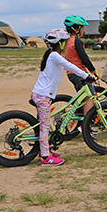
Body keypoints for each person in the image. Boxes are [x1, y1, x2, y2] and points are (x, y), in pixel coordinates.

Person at [31, 28, 94, 166]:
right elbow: (69, 65)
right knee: (45, 126)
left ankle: (44, 150)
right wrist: (86, 75)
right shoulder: (54, 55)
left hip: (42, 95)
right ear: (59, 44)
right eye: (64, 43)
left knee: (45, 125)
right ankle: (45, 158)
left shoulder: (51, 55)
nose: (66, 45)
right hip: (42, 96)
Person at [63, 15, 100, 115]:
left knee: (83, 97)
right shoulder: (76, 41)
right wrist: (94, 71)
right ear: (76, 28)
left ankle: (84, 121)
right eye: (82, 28)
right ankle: (87, 125)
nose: (83, 31)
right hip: (79, 73)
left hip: (71, 73)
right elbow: (84, 58)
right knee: (90, 97)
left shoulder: (67, 40)